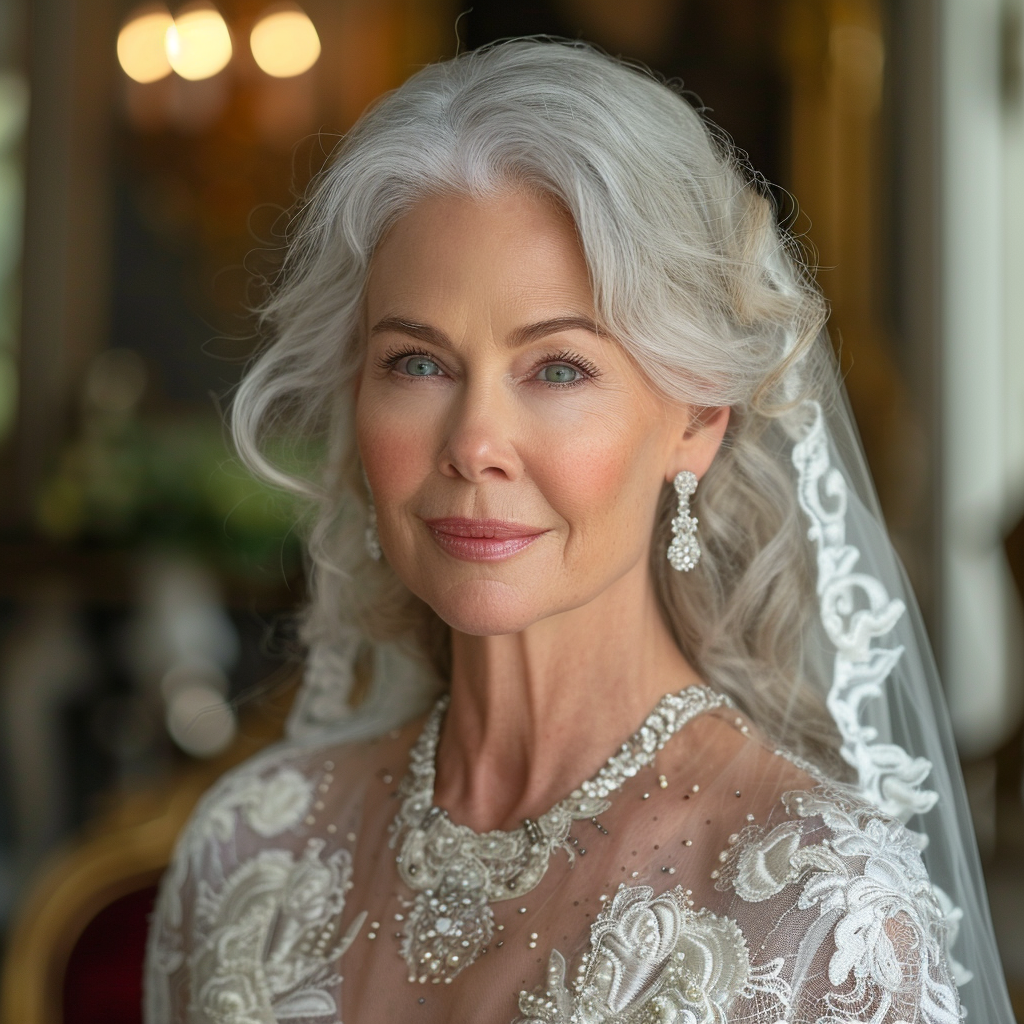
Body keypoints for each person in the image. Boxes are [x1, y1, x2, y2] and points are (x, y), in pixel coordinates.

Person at [143, 40, 1015, 1024]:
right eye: (416, 364)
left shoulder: (818, 914)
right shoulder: (249, 849)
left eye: (556, 368)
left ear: (697, 419)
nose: (473, 445)